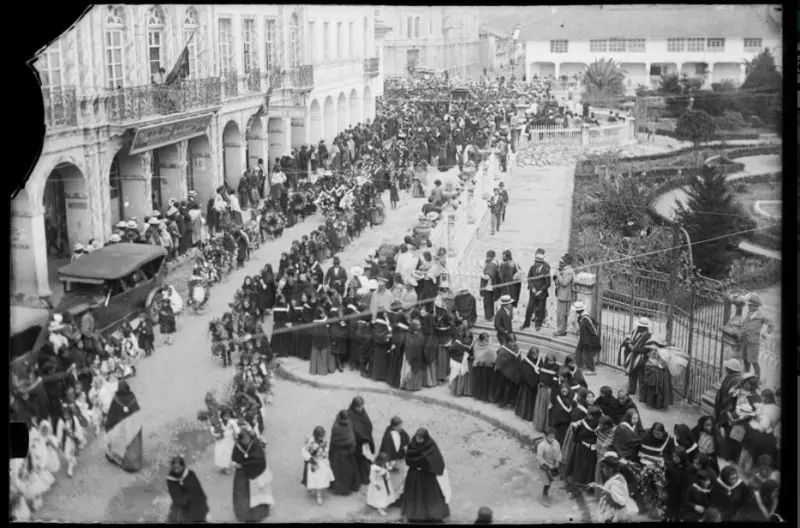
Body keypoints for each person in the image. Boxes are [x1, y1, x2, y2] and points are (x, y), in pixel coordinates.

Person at [402, 428, 451, 523]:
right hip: (414, 474)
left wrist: (427, 466)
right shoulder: (412, 445)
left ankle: (433, 515)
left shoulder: (431, 445)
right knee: (415, 494)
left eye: (421, 438)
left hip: (427, 475)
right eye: (417, 437)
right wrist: (417, 463)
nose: (418, 440)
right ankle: (415, 515)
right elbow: (408, 459)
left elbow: (437, 460)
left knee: (430, 495)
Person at [232, 428, 274, 521]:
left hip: (257, 473)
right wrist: (237, 463)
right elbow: (235, 457)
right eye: (244, 440)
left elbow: (260, 460)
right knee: (243, 494)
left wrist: (243, 464)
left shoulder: (255, 444)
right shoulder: (238, 446)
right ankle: (244, 514)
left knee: (258, 492)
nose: (246, 441)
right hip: (243, 475)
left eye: (247, 439)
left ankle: (259, 512)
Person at [104, 380, 144, 473]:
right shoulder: (132, 397)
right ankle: (135, 463)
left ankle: (119, 459)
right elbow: (136, 411)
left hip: (120, 428)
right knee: (132, 446)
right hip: (132, 427)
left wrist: (109, 426)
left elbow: (112, 415)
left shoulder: (116, 399)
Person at [591, 451, 639, 522]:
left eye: (603, 467)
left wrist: (607, 497)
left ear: (610, 469)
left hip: (615, 516)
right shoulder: (616, 477)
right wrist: (599, 486)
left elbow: (619, 503)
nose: (602, 469)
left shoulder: (616, 483)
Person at [738, 294, 773, 380]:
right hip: (745, 339)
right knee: (745, 359)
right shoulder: (750, 312)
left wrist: (766, 333)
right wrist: (741, 330)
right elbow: (746, 323)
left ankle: (757, 380)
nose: (748, 306)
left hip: (753, 341)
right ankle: (746, 376)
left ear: (755, 305)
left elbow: (771, 325)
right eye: (748, 305)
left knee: (753, 361)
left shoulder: (761, 315)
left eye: (750, 305)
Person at [166, 456, 210, 523]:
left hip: (196, 504)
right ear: (172, 468)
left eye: (178, 468)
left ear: (182, 466)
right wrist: (186, 500)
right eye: (174, 468)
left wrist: (203, 502)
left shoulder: (190, 474)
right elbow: (175, 494)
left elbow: (198, 489)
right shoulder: (171, 479)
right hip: (182, 506)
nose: (176, 470)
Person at [329, 410, 361, 496]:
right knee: (342, 473)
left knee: (351, 470)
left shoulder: (349, 423)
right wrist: (347, 443)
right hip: (340, 453)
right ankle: (342, 490)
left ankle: (352, 486)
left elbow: (351, 435)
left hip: (349, 451)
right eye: (344, 420)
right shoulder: (336, 427)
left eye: (346, 420)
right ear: (341, 419)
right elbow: (335, 441)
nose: (346, 421)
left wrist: (352, 445)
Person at [301, 426, 336, 505]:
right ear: (316, 436)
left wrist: (324, 453)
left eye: (323, 435)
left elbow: (327, 450)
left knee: (321, 480)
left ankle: (319, 495)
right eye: (321, 436)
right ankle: (310, 488)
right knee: (313, 478)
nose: (322, 437)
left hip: (322, 462)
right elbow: (304, 451)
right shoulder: (310, 442)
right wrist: (310, 458)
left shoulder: (325, 441)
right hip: (314, 463)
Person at [379, 416, 410, 502]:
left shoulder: (401, 432)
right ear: (394, 426)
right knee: (392, 481)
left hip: (399, 459)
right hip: (392, 461)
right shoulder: (388, 436)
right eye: (399, 426)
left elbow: (406, 440)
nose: (401, 427)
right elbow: (387, 450)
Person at [348, 396, 376, 486]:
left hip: (365, 441)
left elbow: (367, 424)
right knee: (360, 461)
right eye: (358, 407)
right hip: (358, 443)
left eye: (361, 406)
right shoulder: (350, 414)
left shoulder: (363, 412)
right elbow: (353, 429)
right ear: (354, 406)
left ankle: (366, 476)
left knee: (366, 459)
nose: (360, 409)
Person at [521, 249, 551, 331]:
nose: (535, 263)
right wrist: (532, 288)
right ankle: (526, 324)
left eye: (537, 262)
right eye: (535, 261)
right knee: (529, 308)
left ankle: (538, 325)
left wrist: (541, 290)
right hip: (533, 293)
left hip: (541, 294)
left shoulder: (546, 270)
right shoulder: (532, 268)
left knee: (540, 310)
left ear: (541, 262)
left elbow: (548, 283)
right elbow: (529, 278)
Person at [622, 317, 652, 394]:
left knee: (641, 376)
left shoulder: (648, 336)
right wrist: (628, 344)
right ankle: (631, 390)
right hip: (632, 357)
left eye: (641, 327)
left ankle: (642, 395)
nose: (640, 328)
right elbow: (627, 340)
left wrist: (634, 349)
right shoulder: (634, 332)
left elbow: (646, 349)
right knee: (631, 373)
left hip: (641, 358)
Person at [536, 427, 562, 502]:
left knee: (550, 481)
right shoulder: (541, 446)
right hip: (543, 466)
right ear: (545, 436)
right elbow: (539, 458)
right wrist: (548, 465)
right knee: (546, 482)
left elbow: (558, 453)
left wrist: (557, 461)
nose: (552, 438)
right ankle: (544, 496)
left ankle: (545, 492)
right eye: (550, 437)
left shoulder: (556, 443)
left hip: (552, 465)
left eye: (553, 437)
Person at [574, 301, 600, 374]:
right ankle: (579, 366)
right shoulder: (583, 317)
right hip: (584, 338)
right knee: (578, 351)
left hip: (589, 339)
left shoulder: (585, 319)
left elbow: (592, 329)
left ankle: (591, 370)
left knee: (587, 354)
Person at [553, 254, 574, 337]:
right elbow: (558, 283)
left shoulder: (570, 271)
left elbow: (564, 283)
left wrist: (558, 274)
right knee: (559, 314)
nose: (560, 264)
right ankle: (560, 329)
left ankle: (561, 331)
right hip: (561, 294)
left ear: (566, 262)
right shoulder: (563, 270)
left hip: (565, 296)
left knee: (562, 315)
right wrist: (556, 278)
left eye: (561, 262)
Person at [480, 250, 500, 321]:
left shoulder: (491, 265)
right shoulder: (496, 263)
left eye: (487, 256)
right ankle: (491, 316)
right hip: (493, 287)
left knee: (487, 303)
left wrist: (481, 274)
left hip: (488, 287)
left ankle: (488, 318)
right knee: (490, 303)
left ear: (490, 257)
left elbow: (487, 277)